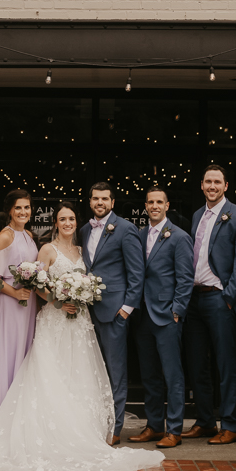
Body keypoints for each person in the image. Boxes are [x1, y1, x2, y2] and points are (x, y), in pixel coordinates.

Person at [0, 201, 163, 471]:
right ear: (56, 223)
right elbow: (37, 285)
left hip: (79, 322)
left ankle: (81, 428)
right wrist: (59, 301)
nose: (68, 223)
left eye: (71, 218)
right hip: (54, 319)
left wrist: (82, 295)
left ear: (76, 221)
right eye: (62, 219)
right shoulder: (46, 249)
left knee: (77, 374)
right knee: (50, 372)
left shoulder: (82, 251)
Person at [182, 164, 236, 445]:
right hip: (194, 298)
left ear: (226, 186)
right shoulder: (197, 215)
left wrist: (229, 297)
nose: (212, 186)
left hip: (218, 298)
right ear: (201, 185)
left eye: (217, 182)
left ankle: (230, 424)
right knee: (197, 363)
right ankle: (204, 421)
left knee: (226, 364)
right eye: (207, 182)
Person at [78, 181, 144, 445]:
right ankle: (92, 423)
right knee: (91, 370)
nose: (100, 203)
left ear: (113, 202)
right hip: (86, 312)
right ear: (90, 201)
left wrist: (126, 309)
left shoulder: (127, 229)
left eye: (105, 199)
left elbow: (137, 272)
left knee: (116, 372)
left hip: (115, 312)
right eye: (95, 199)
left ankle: (115, 429)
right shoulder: (83, 230)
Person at [129, 187, 194, 449]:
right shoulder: (140, 235)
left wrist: (178, 309)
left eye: (159, 202)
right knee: (149, 374)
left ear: (167, 206)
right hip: (142, 315)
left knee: (172, 375)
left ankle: (174, 429)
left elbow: (185, 278)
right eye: (150, 202)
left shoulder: (179, 237)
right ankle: (154, 426)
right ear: (145, 206)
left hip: (167, 315)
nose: (154, 206)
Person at [0, 189, 39, 432]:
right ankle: (0, 422)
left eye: (26, 208)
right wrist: (14, 292)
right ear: (9, 211)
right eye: (18, 208)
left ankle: (19, 418)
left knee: (22, 358)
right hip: (9, 304)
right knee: (7, 358)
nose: (23, 212)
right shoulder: (5, 237)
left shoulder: (28, 235)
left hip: (27, 306)